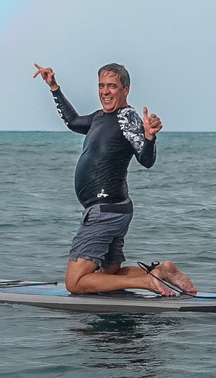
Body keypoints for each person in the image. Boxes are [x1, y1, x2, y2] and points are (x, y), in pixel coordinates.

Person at [32, 61, 197, 297]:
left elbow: (145, 159)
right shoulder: (99, 117)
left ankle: (149, 282)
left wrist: (149, 138)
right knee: (106, 275)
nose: (105, 91)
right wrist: (54, 88)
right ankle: (161, 271)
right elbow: (73, 121)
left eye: (112, 86)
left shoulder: (126, 118)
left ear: (125, 89)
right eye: (101, 86)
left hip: (104, 212)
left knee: (75, 282)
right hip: (114, 209)